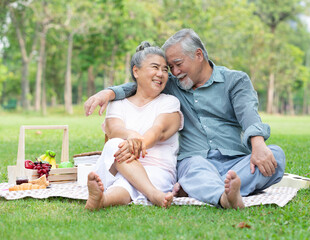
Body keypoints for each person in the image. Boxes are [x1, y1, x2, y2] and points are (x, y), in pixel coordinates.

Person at [84, 29, 286, 209]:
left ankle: (220, 187)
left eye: (177, 64)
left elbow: (248, 114)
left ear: (199, 55)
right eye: (170, 67)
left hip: (236, 160)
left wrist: (258, 144)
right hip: (195, 161)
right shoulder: (174, 84)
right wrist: (108, 93)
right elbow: (140, 85)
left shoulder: (235, 80)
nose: (174, 72)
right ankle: (224, 197)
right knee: (193, 170)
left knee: (275, 155)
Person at [85, 42, 183, 210]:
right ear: (136, 71)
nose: (161, 74)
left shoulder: (170, 102)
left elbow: (158, 131)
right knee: (114, 144)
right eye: (155, 67)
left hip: (157, 168)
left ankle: (103, 200)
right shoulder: (118, 103)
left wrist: (139, 143)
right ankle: (153, 195)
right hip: (116, 164)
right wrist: (131, 136)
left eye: (165, 70)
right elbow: (114, 130)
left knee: (129, 181)